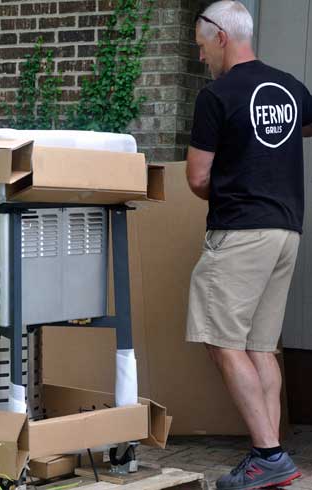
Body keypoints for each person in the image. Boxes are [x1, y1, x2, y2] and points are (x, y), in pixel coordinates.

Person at [186, 1, 312, 489]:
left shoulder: (216, 97)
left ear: (220, 37)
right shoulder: (290, 86)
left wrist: (238, 172)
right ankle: (271, 454)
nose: (201, 58)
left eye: (201, 47)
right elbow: (298, 126)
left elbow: (198, 179)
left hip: (240, 232)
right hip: (286, 231)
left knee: (222, 341)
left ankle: (268, 453)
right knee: (261, 347)